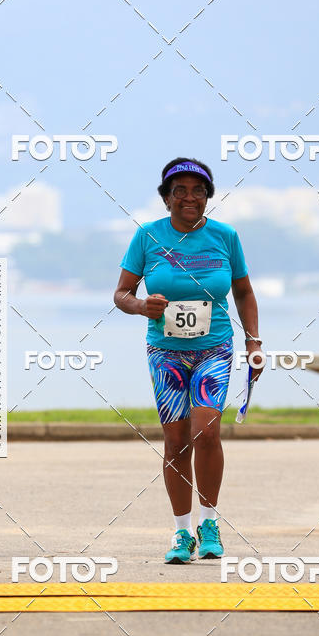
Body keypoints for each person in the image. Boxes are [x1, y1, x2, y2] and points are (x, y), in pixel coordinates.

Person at [113, 158, 262, 563]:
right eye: (179, 190)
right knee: (176, 441)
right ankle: (182, 533)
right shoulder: (147, 237)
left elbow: (245, 293)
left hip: (214, 346)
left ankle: (209, 523)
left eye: (198, 191)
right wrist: (142, 305)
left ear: (208, 197)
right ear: (166, 199)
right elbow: (122, 293)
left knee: (206, 433)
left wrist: (254, 341)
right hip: (166, 351)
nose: (189, 198)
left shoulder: (225, 237)